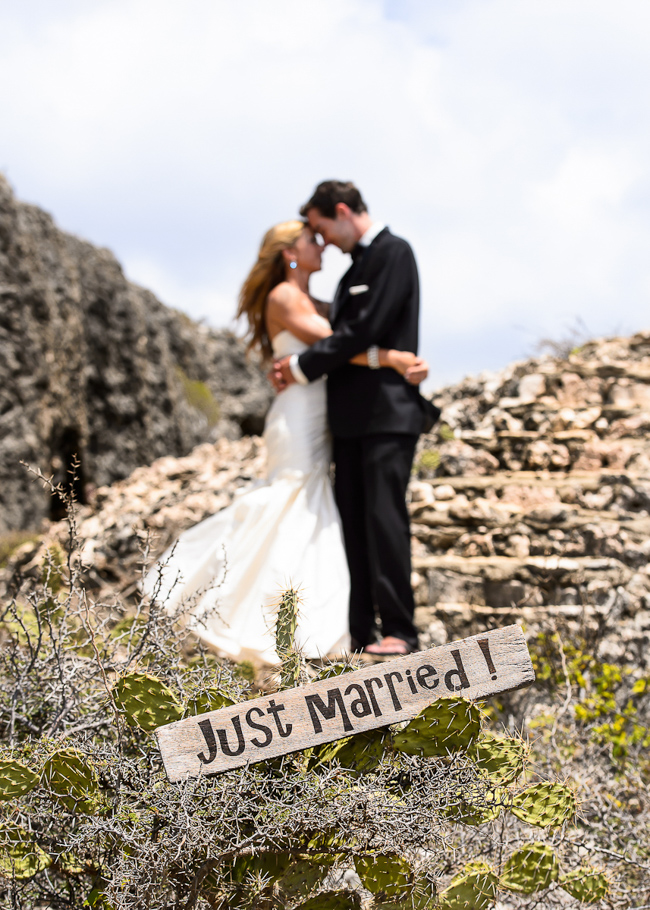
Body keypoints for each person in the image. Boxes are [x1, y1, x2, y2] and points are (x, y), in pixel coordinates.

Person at [144, 219, 428, 664]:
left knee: (313, 511)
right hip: (298, 416)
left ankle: (309, 623)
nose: (322, 246)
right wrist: (389, 358)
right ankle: (237, 601)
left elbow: (345, 335)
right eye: (311, 240)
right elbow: (335, 343)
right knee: (290, 499)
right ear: (289, 253)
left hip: (321, 415)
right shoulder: (283, 296)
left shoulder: (315, 298)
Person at [272, 181, 440, 657]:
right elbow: (344, 332)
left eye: (323, 227)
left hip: (387, 416)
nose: (322, 240)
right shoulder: (352, 273)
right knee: (353, 526)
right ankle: (360, 633)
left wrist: (302, 367)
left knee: (384, 519)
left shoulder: (393, 253)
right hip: (347, 423)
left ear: (343, 211)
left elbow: (359, 332)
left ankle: (401, 633)